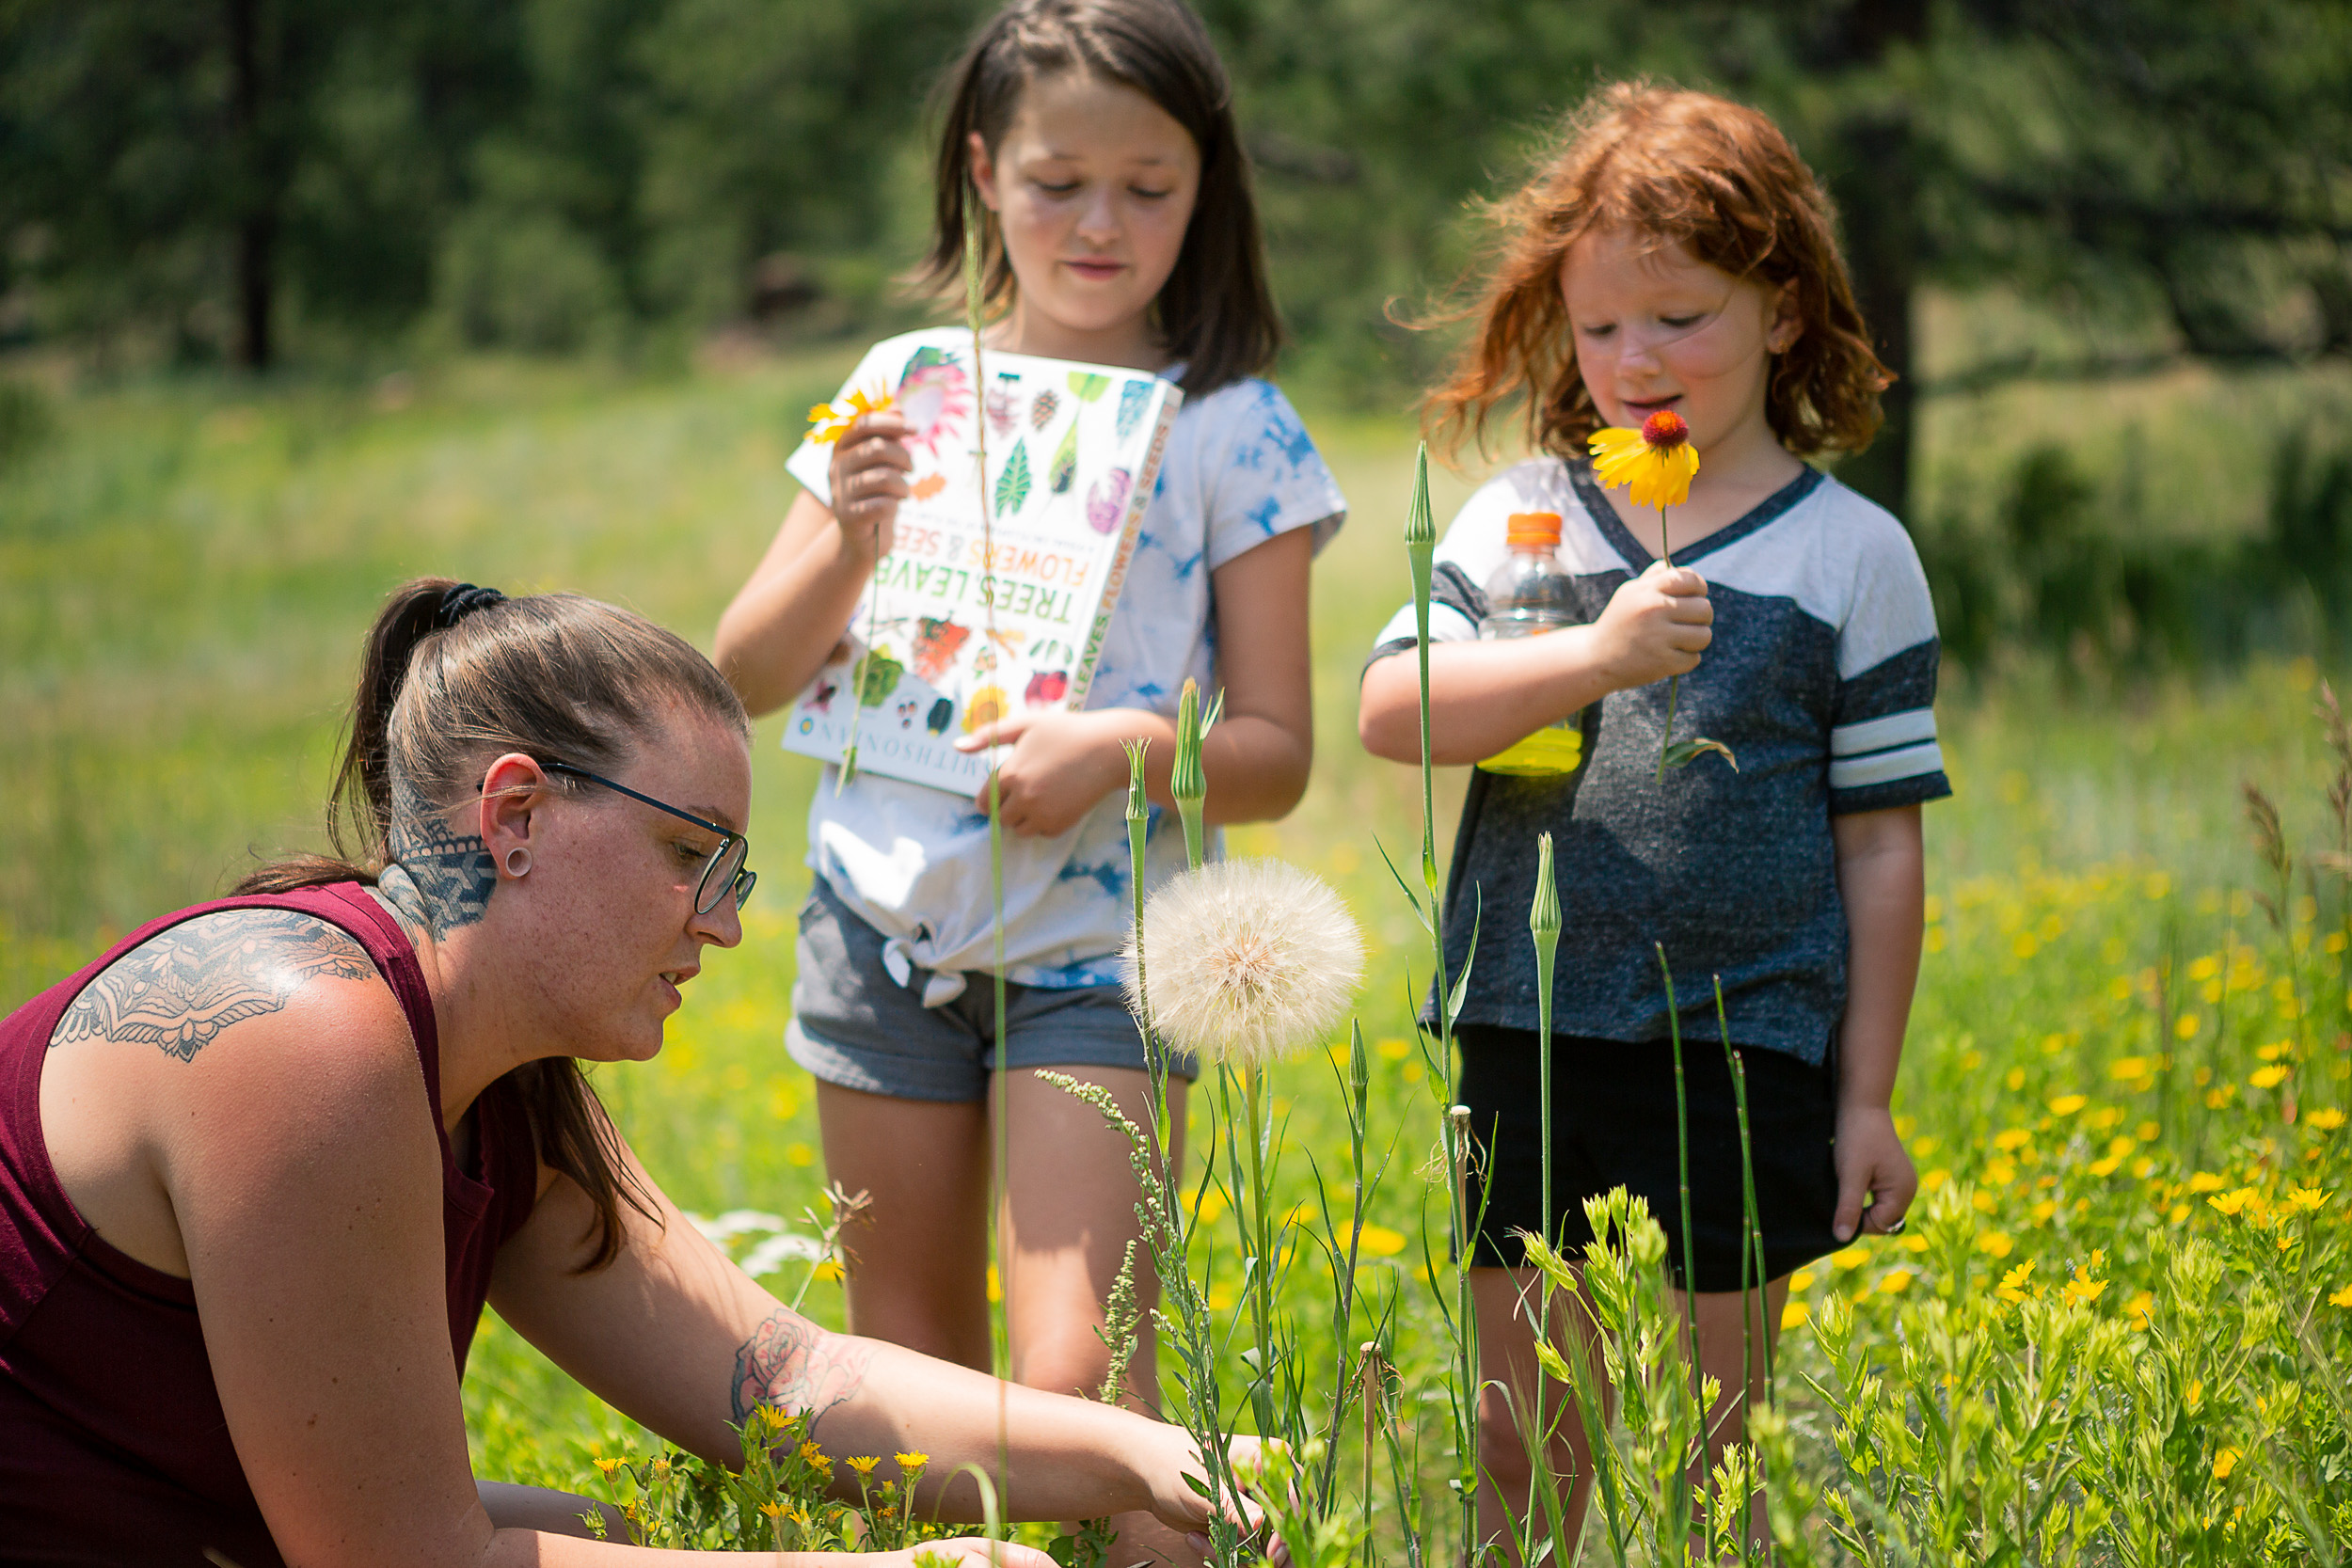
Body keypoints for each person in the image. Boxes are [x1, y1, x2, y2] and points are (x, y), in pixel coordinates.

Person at [1, 578, 1267, 1567]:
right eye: (687, 853)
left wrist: (1145, 1453)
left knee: (608, 1536)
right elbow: (400, 1561)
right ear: (516, 819)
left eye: (734, 875)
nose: (720, 923)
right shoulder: (305, 1036)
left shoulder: (494, 1084)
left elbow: (777, 1382)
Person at [714, 5, 1342, 1560]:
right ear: (986, 171)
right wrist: (855, 540)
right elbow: (745, 670)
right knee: (907, 1387)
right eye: (1061, 180)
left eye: (1150, 183)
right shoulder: (905, 384)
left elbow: (1269, 755)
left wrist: (1116, 750)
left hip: (1101, 955)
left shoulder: (1235, 429)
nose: (1102, 223)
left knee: (1081, 1378)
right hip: (879, 931)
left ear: (1208, 187)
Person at [1358, 83, 1947, 1553]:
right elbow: (1392, 713)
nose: (1633, 360)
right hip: (1532, 1019)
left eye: (1678, 318)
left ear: (1785, 310)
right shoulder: (1522, 520)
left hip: (1748, 1041)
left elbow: (1881, 841)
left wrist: (1865, 1094)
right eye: (1601, 327)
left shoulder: (1852, 555)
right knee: (1523, 1434)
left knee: (1716, 1445)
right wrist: (1596, 653)